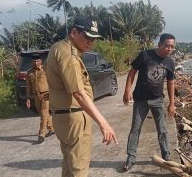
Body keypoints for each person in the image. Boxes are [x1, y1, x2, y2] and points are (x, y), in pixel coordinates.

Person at [46, 17, 118, 177]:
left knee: (69, 167)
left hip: (63, 117)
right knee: (79, 170)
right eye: (87, 37)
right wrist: (103, 123)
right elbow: (78, 93)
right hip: (74, 117)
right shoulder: (69, 55)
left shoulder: (57, 48)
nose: (90, 42)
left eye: (93, 39)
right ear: (73, 32)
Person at [122, 33, 176, 171]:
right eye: (167, 46)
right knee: (135, 129)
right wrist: (127, 90)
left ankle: (166, 156)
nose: (169, 49)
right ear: (159, 44)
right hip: (140, 100)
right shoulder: (145, 55)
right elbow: (132, 72)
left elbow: (171, 83)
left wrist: (172, 103)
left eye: (172, 47)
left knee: (163, 130)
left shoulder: (170, 62)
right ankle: (131, 157)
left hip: (158, 100)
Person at [26, 54, 54, 144]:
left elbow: (52, 81)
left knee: (43, 114)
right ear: (31, 62)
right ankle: (51, 128)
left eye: (37, 61)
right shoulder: (29, 73)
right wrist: (28, 98)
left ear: (41, 61)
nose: (36, 63)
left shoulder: (46, 70)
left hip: (46, 95)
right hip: (36, 96)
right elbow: (28, 86)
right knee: (43, 114)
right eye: (34, 61)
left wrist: (52, 93)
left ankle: (41, 135)